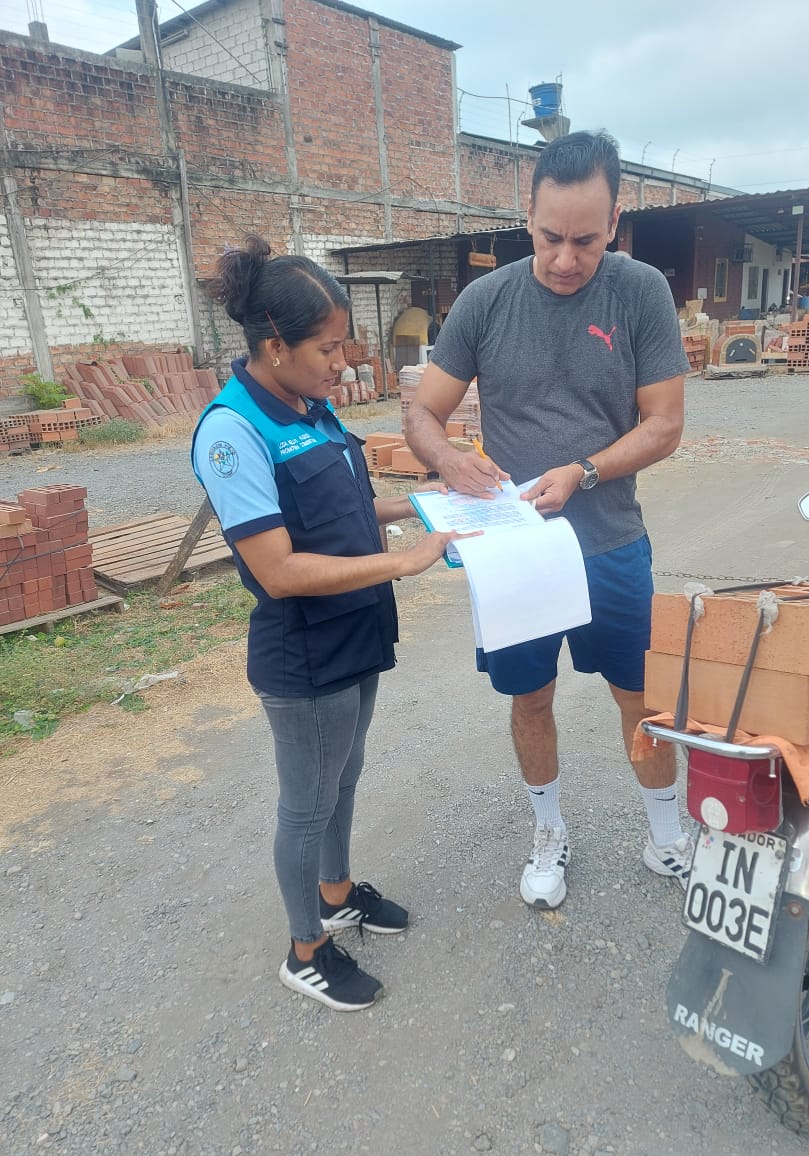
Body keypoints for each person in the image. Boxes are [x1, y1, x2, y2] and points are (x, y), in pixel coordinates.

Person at [405, 130, 691, 910]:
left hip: (610, 544)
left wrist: (584, 470)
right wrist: (449, 459)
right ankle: (547, 830)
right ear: (525, 217)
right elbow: (423, 413)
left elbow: (664, 423)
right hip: (515, 554)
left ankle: (666, 835)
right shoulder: (486, 301)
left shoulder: (639, 293)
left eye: (586, 241)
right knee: (529, 697)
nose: (565, 259)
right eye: (548, 237)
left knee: (639, 698)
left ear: (615, 221)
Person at [192, 235, 466, 1010]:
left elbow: (346, 507)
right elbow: (278, 569)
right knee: (306, 803)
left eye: (343, 344)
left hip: (355, 629)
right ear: (274, 345)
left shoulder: (307, 407)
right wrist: (403, 564)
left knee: (344, 776)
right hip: (304, 652)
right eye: (327, 347)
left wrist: (426, 505)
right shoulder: (232, 431)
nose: (342, 362)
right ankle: (305, 948)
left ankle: (337, 893)